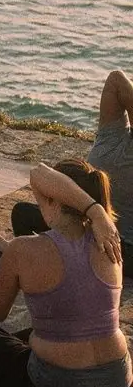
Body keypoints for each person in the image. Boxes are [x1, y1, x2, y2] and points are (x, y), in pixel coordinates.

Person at [0, 161, 131, 387]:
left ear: (53, 200)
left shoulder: (22, 249)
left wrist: (17, 269)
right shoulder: (109, 241)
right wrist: (97, 213)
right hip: (118, 385)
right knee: (68, 322)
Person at [77, 69, 133, 275]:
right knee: (23, 213)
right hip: (86, 230)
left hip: (124, 249)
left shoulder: (112, 137)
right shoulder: (113, 135)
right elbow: (116, 80)